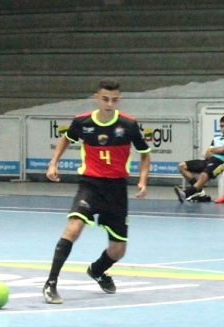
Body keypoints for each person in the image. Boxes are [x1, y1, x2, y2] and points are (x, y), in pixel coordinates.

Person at [42, 79, 150, 304]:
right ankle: (51, 283)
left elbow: (144, 153)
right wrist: (53, 163)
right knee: (73, 228)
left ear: (118, 99)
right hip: (90, 185)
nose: (109, 104)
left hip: (117, 189)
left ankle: (98, 270)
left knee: (118, 250)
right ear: (96, 98)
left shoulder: (128, 125)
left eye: (114, 100)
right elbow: (66, 139)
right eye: (105, 99)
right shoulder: (82, 122)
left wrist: (142, 180)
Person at [174, 115, 224, 203]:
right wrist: (218, 150)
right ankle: (199, 192)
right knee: (182, 166)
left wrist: (214, 150)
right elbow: (207, 154)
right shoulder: (216, 138)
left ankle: (186, 194)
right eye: (222, 126)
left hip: (220, 163)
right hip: (209, 160)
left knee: (203, 175)